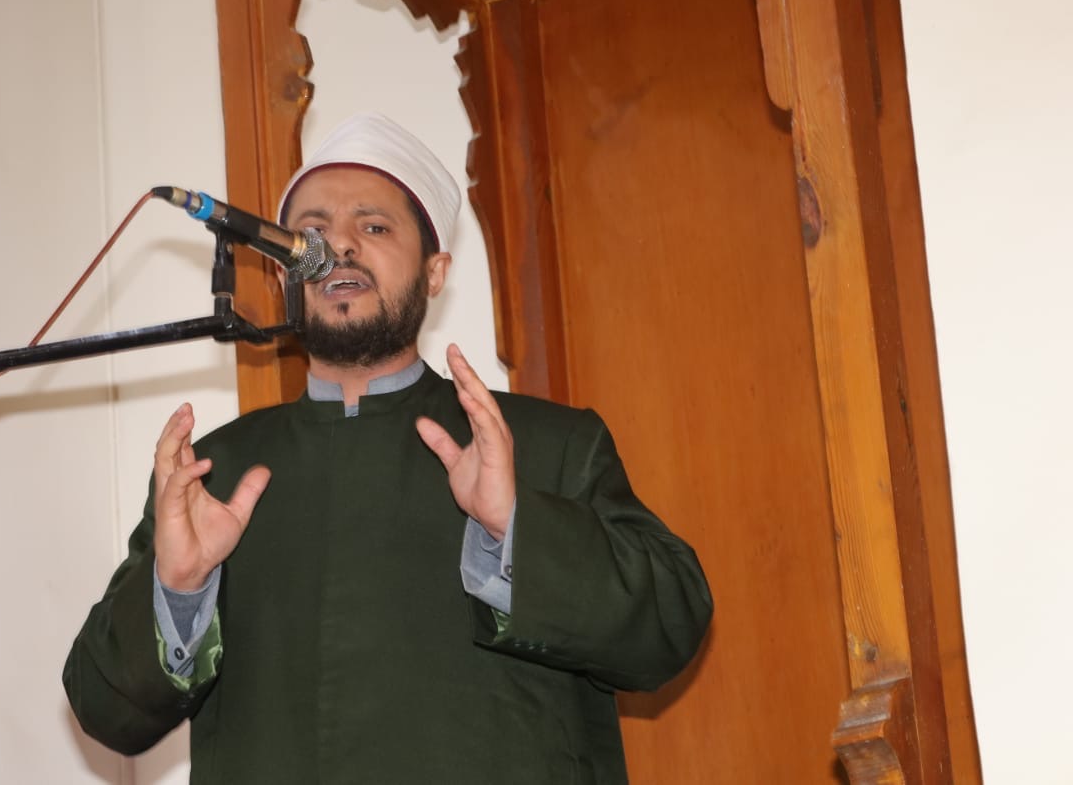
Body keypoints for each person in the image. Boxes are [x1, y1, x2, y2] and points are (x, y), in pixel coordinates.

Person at [64, 112, 712, 783]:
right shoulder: (212, 473)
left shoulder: (546, 444)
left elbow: (671, 628)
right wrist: (178, 588)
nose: (339, 245)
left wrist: (516, 525)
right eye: (312, 232)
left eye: (373, 227)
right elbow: (104, 709)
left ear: (435, 272)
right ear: (285, 275)